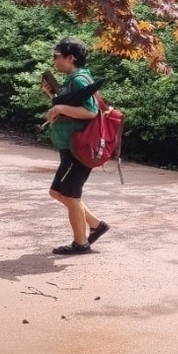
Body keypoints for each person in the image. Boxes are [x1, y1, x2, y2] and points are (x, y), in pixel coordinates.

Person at [43, 37, 110, 255]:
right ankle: (96, 225)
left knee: (70, 196)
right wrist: (54, 97)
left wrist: (59, 107)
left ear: (70, 58)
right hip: (71, 146)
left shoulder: (79, 80)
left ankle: (81, 243)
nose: (54, 60)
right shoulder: (73, 79)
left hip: (78, 148)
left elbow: (90, 112)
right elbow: (70, 106)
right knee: (58, 192)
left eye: (56, 56)